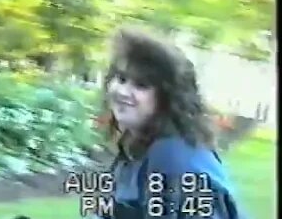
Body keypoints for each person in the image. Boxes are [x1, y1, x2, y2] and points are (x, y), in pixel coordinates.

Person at [98, 27, 246, 219]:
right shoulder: (136, 145)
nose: (123, 92)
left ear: (167, 97)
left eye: (141, 85)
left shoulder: (175, 158)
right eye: (121, 79)